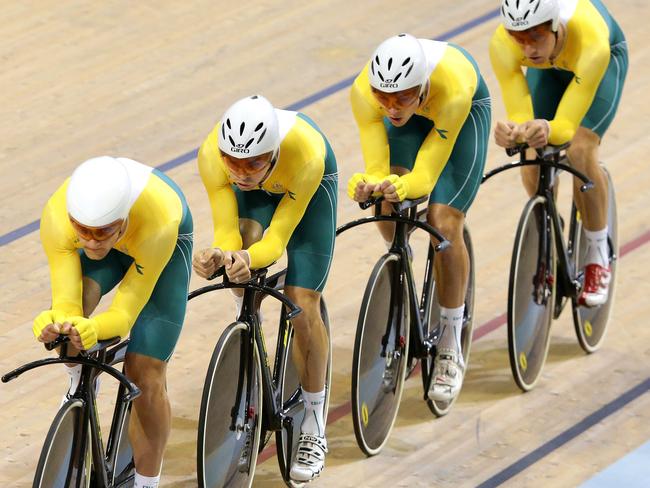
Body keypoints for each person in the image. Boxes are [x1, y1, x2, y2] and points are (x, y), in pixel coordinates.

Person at [192, 95, 338, 483]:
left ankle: (313, 421)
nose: (241, 173)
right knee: (240, 265)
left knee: (301, 303)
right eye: (233, 163)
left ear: (272, 155)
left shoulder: (305, 156)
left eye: (253, 163)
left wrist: (251, 258)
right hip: (260, 198)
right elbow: (226, 229)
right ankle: (250, 340)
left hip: (306, 193)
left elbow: (276, 242)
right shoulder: (212, 155)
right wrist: (221, 254)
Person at [32, 156, 193, 488]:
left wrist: (95, 330)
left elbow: (123, 315)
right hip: (127, 235)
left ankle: (147, 483)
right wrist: (56, 322)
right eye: (84, 231)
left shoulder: (157, 221)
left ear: (121, 221)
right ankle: (80, 380)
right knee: (75, 319)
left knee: (145, 374)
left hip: (159, 243)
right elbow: (66, 301)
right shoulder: (57, 217)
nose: (91, 242)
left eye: (102, 232)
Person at [347, 33, 491, 402]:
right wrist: (374, 184)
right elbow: (378, 166)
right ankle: (401, 257)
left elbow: (425, 177)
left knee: (443, 224)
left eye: (403, 97)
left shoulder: (453, 88)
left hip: (459, 117)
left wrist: (404, 186)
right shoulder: (365, 93)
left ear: (422, 85)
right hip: (418, 121)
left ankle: (449, 342)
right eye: (385, 98)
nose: (392, 107)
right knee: (385, 197)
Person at [490, 0, 628, 306]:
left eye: (535, 37)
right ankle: (549, 226)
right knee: (530, 151)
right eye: (519, 39)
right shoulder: (502, 43)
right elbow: (520, 113)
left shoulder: (591, 40)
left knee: (579, 148)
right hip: (550, 70)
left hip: (600, 66)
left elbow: (564, 127)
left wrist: (548, 129)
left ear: (555, 27)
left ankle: (596, 253)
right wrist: (516, 131)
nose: (527, 49)